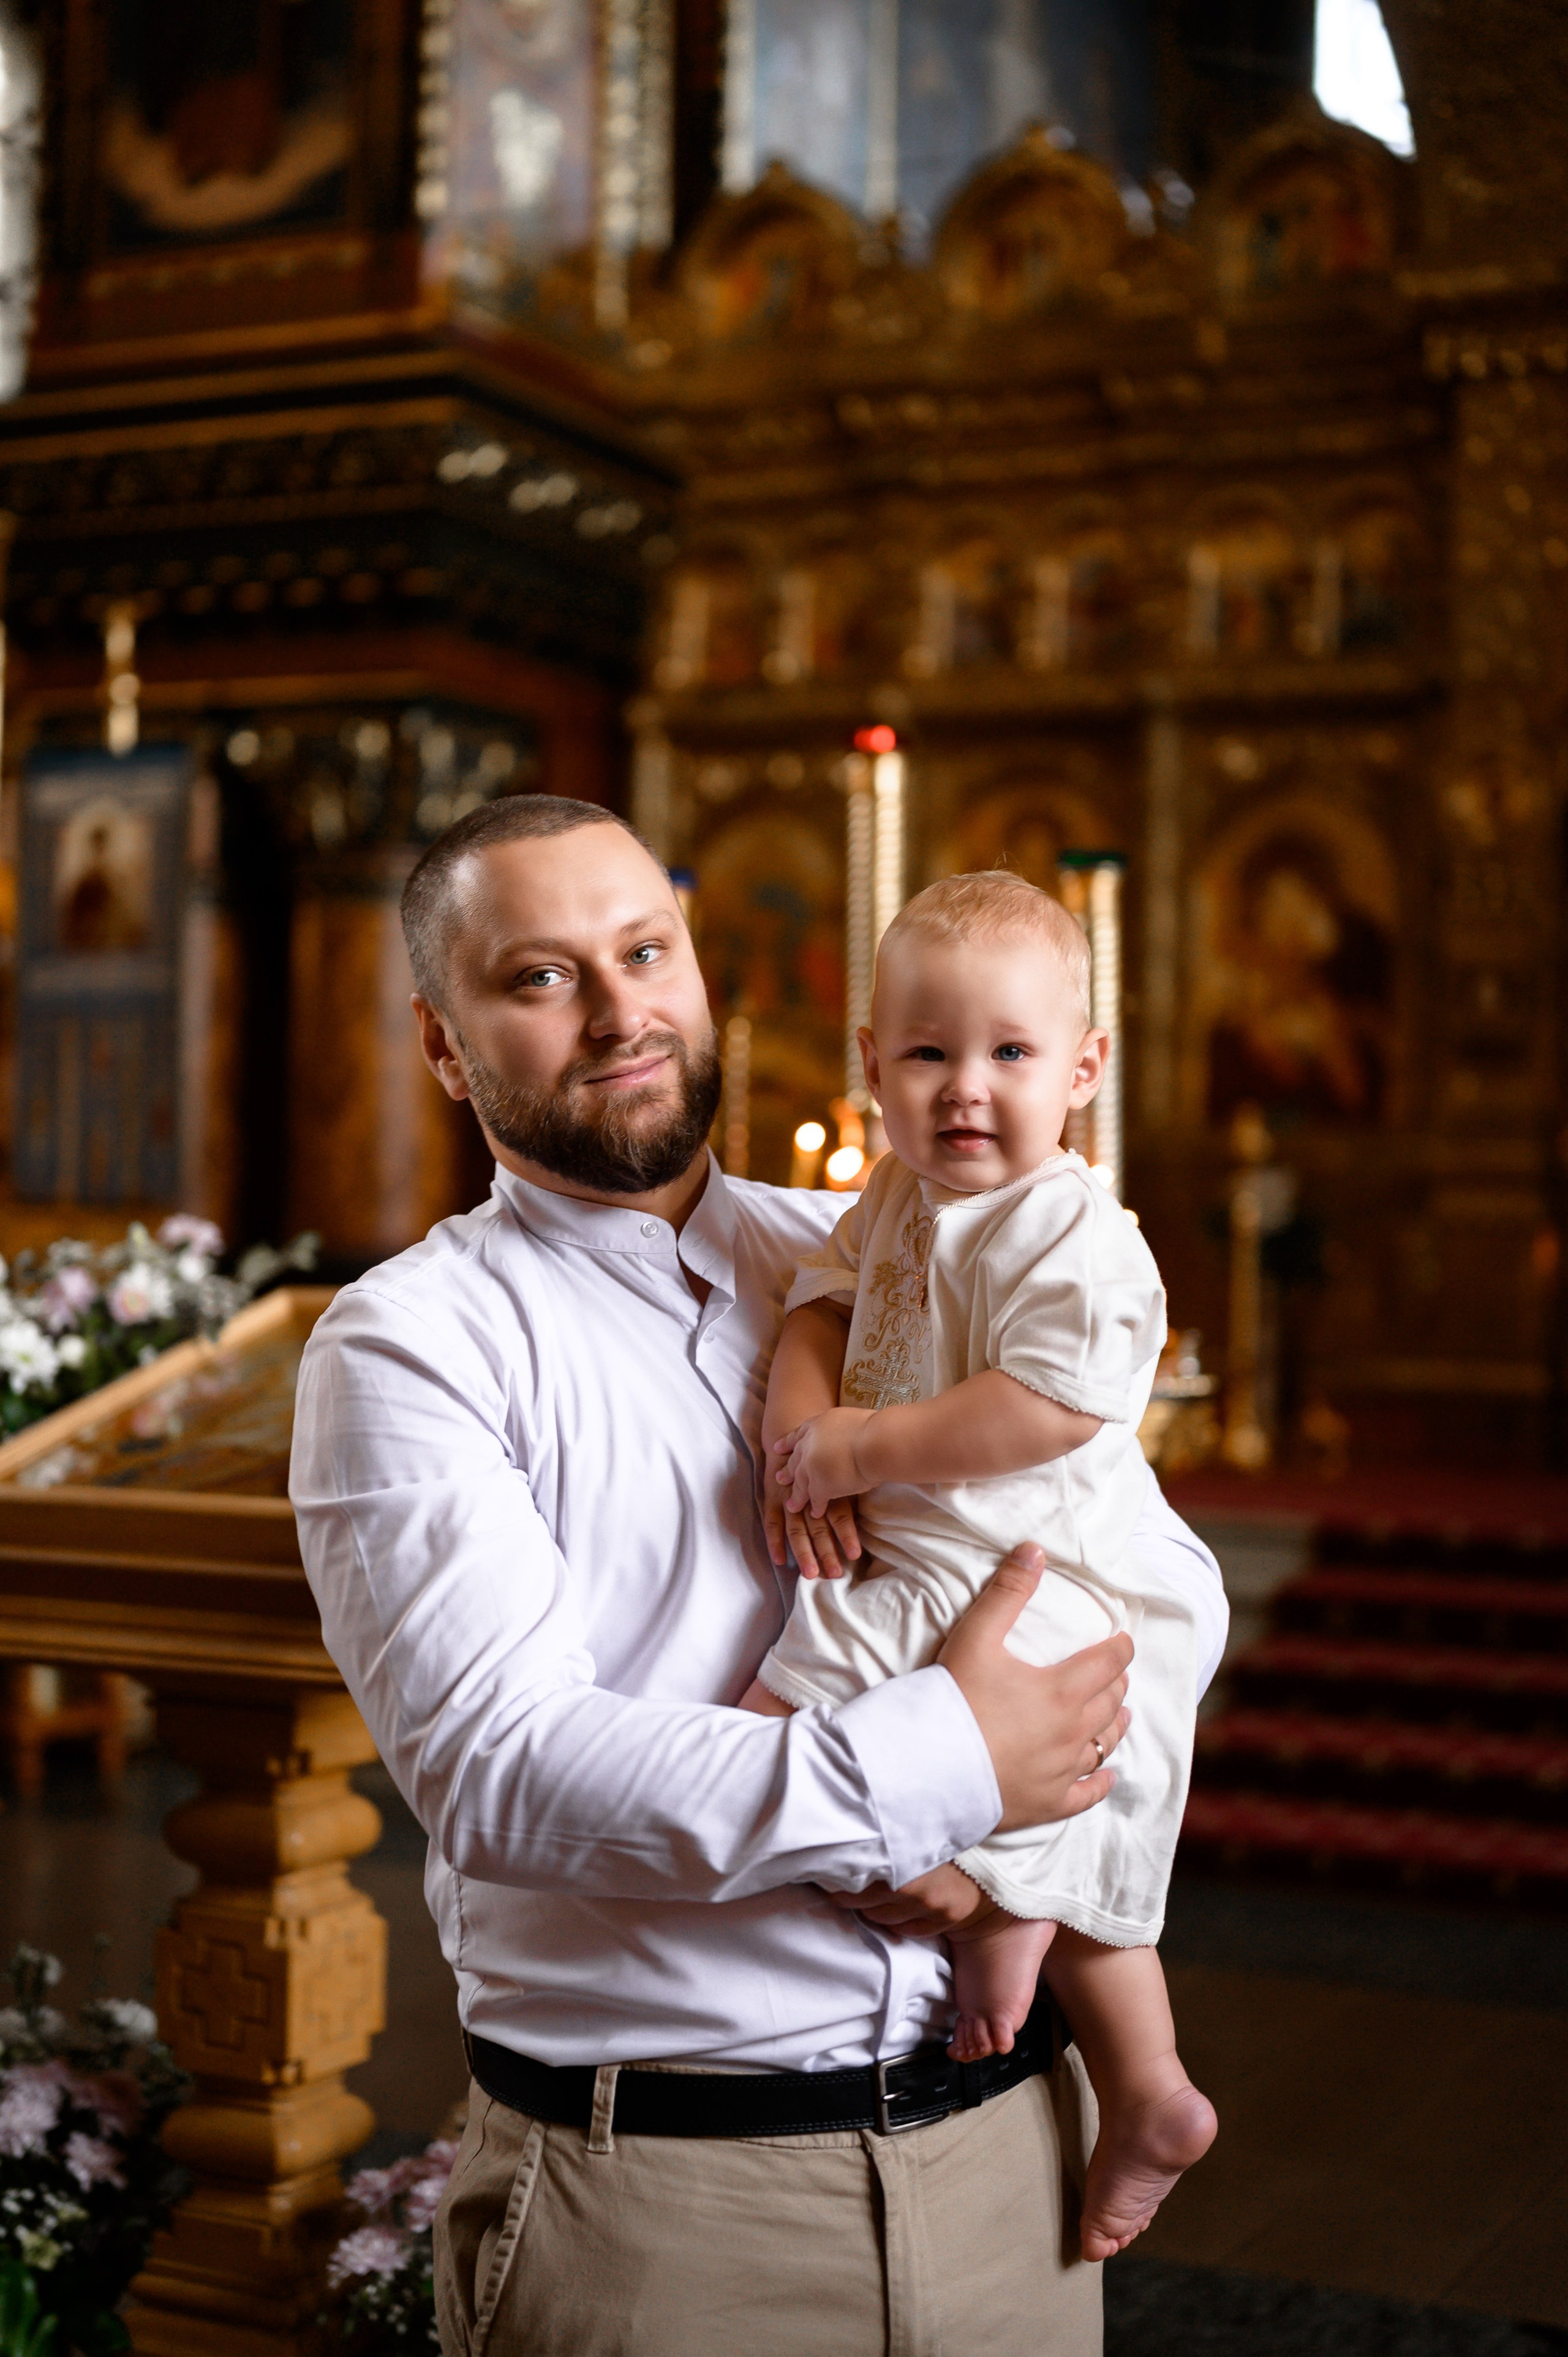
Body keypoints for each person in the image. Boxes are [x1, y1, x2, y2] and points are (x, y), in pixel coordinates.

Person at [290, 794, 1229, 2357]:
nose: (617, 1012)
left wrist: (1006, 1817)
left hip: (1010, 2163)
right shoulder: (411, 1344)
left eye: (644, 950)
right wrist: (935, 1767)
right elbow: (500, 1772)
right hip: (664, 2203)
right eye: (539, 978)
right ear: (445, 1046)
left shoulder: (877, 1243)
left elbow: (1133, 1555)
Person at [739, 870, 1216, 2263]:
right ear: (871, 1065)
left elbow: (1054, 1405)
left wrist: (860, 1447)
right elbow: (820, 1308)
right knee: (966, 1778)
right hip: (933, 1545)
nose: (965, 1087)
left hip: (1035, 1554)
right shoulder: (889, 1192)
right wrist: (794, 1425)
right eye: (927, 1052)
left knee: (785, 1724)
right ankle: (1115, 2050)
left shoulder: (1074, 1232)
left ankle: (1107, 2040)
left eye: (1009, 1053)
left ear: (1082, 1069)